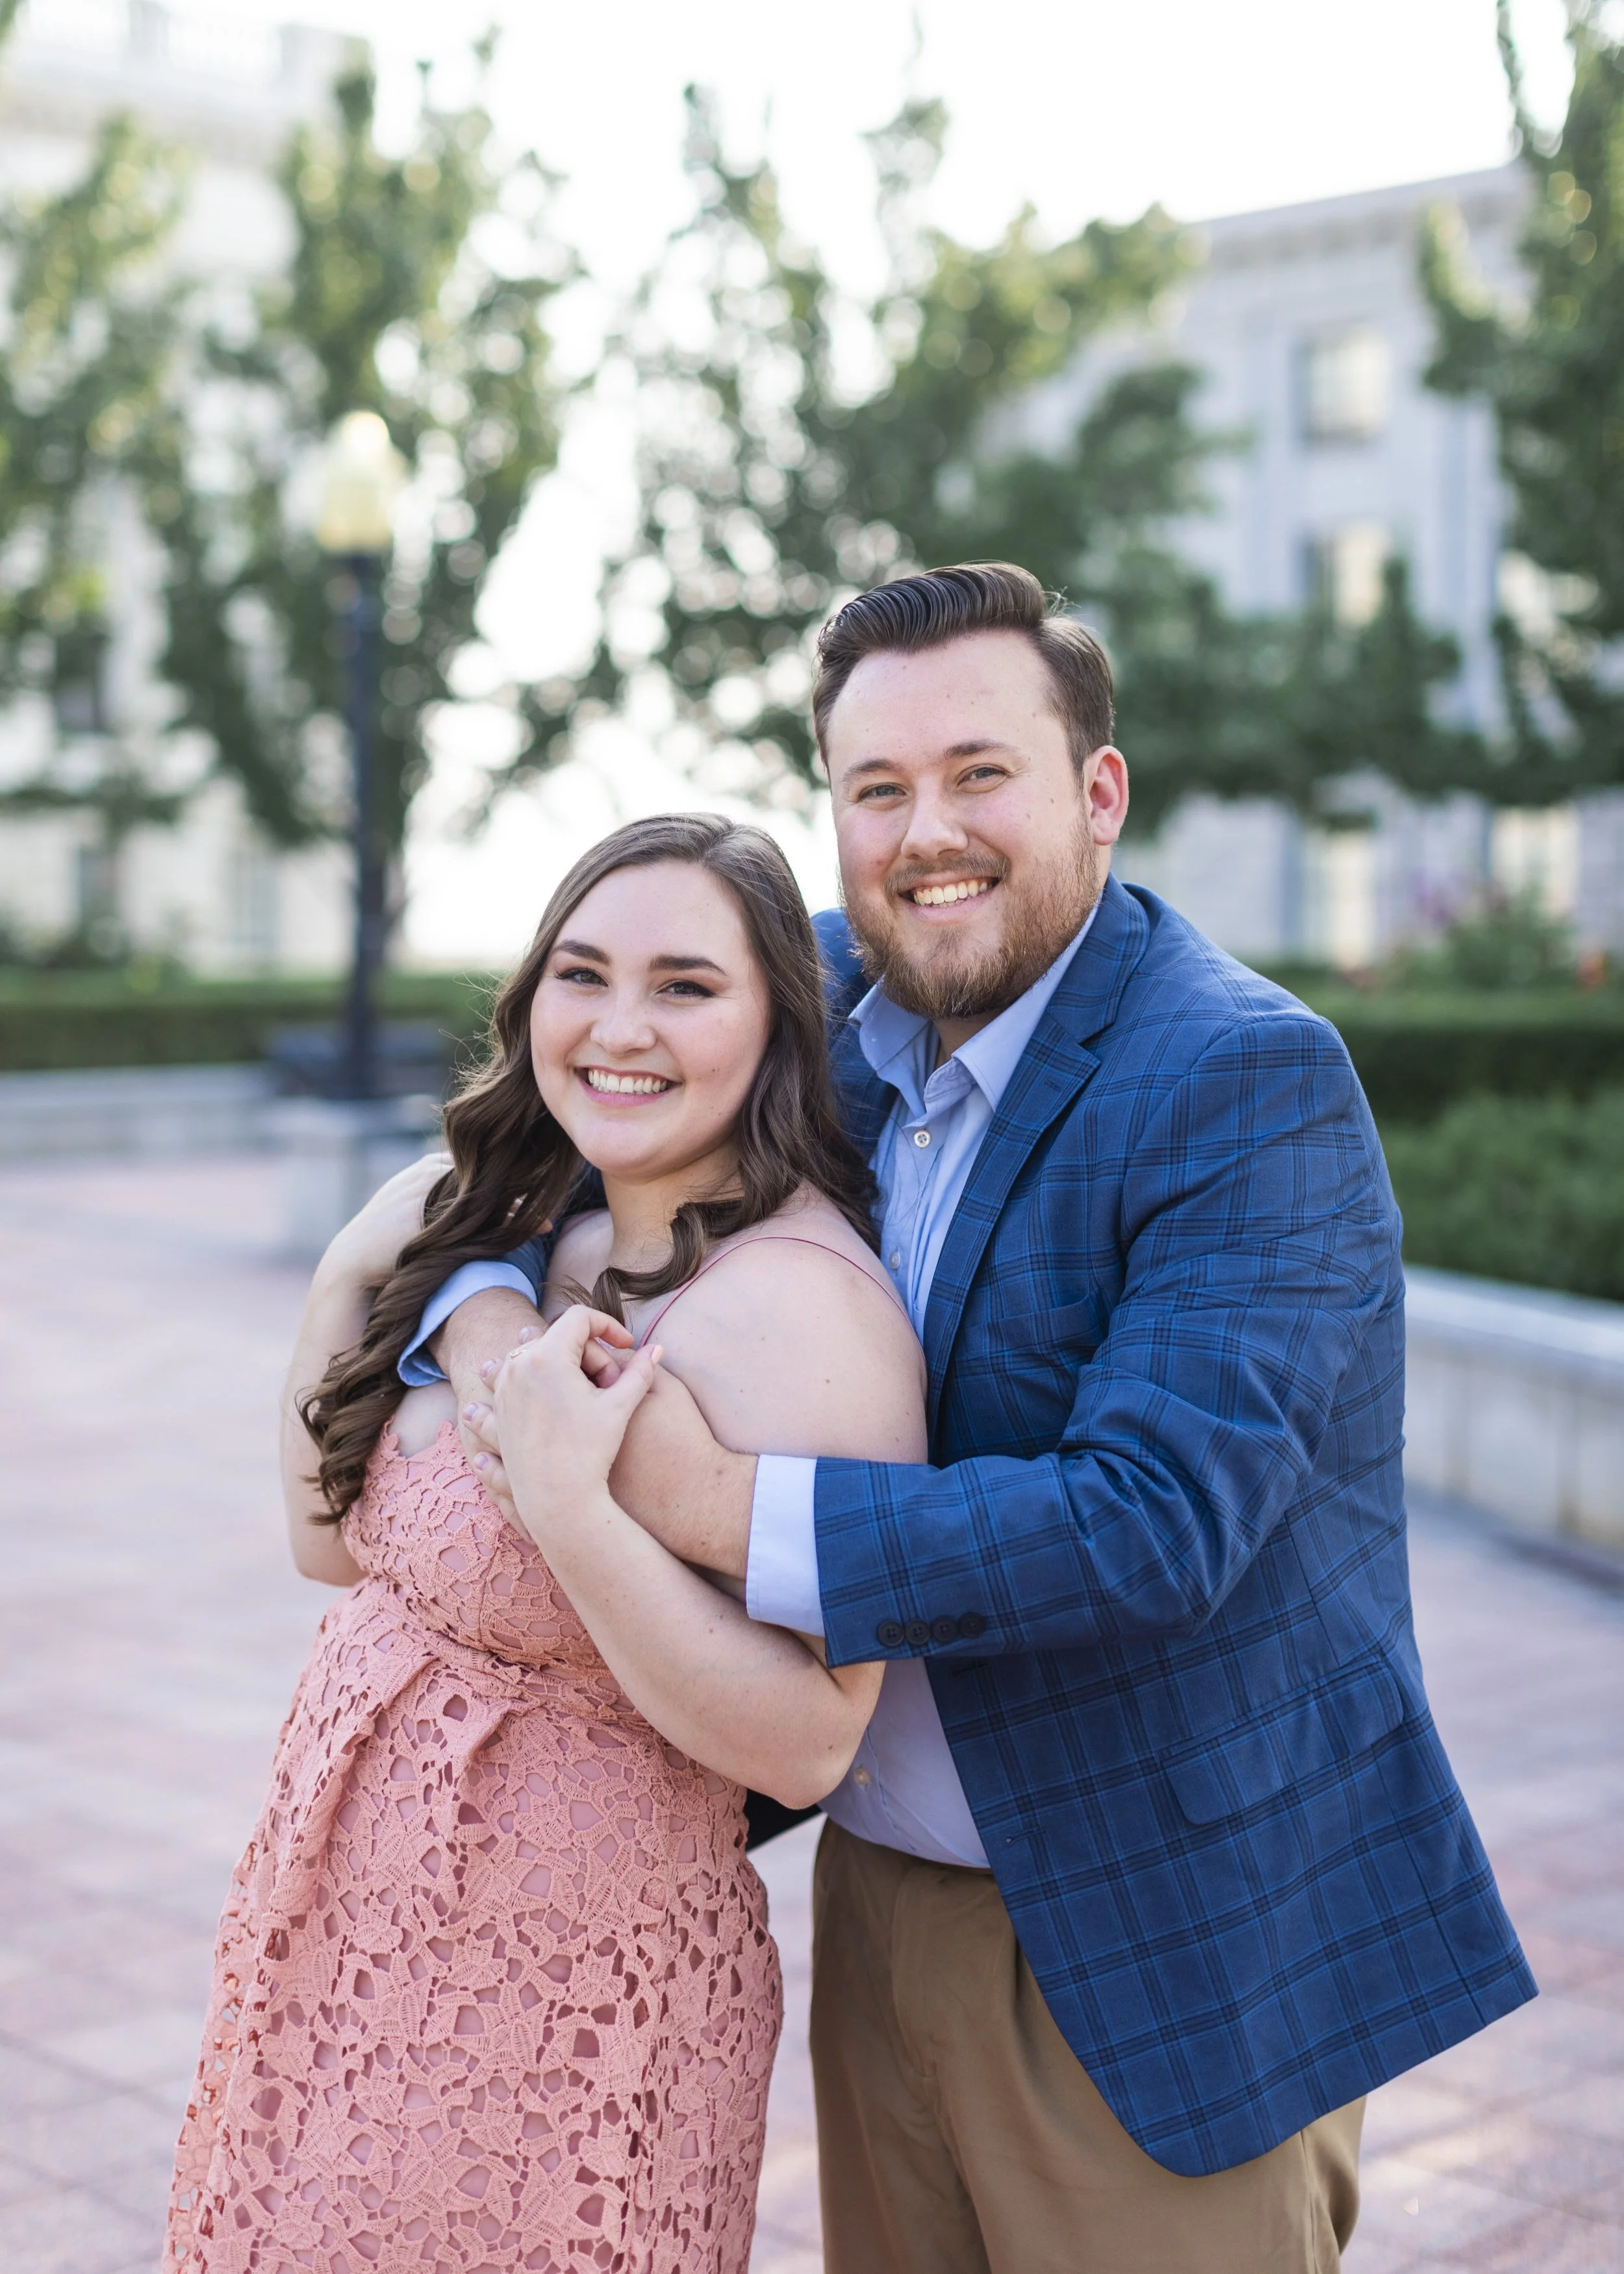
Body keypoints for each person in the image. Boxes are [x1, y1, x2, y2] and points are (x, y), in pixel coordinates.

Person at [419, 564, 1535, 2274]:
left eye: (978, 773)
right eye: (876, 788)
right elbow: (530, 1149)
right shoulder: (817, 1019)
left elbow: (1148, 1521)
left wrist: (701, 1493)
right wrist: (501, 1338)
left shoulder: (1243, 1078)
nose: (924, 831)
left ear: (1098, 791)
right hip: (876, 1896)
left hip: (1166, 1937)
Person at [164, 815, 926, 2274]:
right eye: (584, 973)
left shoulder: (801, 1311)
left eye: (684, 986)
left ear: (777, 1025)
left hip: (551, 2000)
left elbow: (812, 1742)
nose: (620, 1027)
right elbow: (330, 1547)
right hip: (348, 1943)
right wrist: (350, 1273)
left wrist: (572, 1513)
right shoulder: (541, 1230)